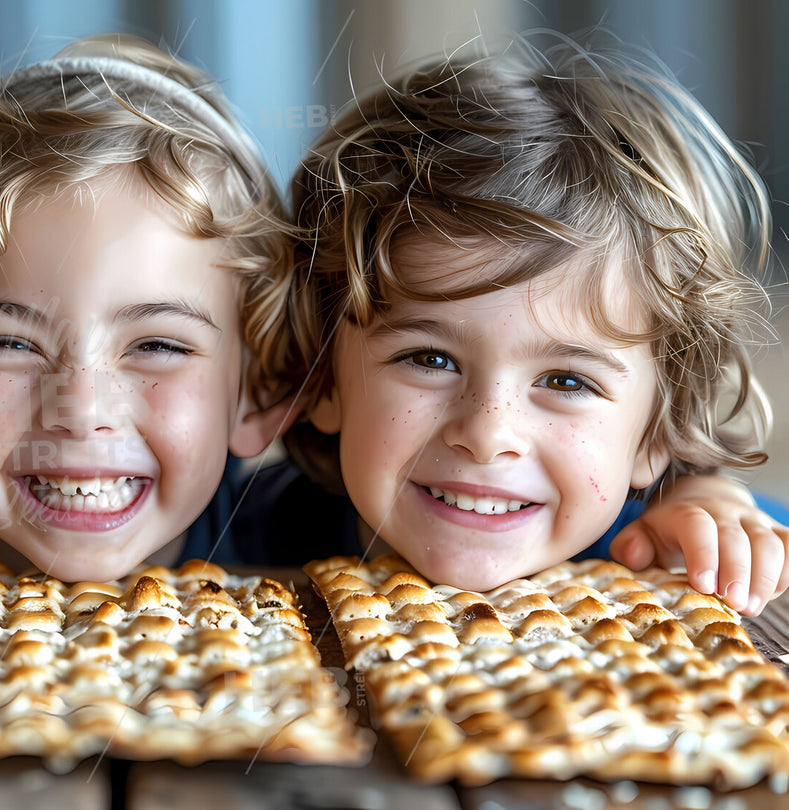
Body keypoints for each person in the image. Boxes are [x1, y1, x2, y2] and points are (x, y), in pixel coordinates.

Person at [249, 33, 789, 614]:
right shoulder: (240, 541)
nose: (486, 435)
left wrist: (717, 513)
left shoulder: (660, 550)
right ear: (323, 373)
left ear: (656, 434)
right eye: (430, 359)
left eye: (566, 381)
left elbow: (768, 545)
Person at [0, 34, 299, 583]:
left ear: (259, 392)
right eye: (9, 342)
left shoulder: (318, 547)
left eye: (157, 345)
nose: (82, 411)